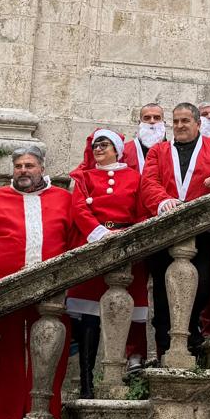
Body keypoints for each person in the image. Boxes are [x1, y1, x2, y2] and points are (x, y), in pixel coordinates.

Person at [0, 144, 100, 419]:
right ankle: (6, 417)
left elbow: (75, 240)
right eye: (18, 166)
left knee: (52, 350)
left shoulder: (63, 199)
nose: (23, 171)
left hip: (52, 288)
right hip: (2, 289)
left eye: (29, 165)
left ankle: (44, 412)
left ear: (42, 168)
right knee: (5, 351)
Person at [139, 105, 210, 357]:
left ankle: (191, 333)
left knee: (201, 285)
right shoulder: (159, 150)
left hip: (202, 230)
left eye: (185, 121)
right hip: (164, 229)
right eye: (176, 121)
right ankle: (164, 349)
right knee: (162, 291)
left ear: (198, 124)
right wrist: (162, 201)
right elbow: (148, 182)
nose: (180, 126)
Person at [67, 130, 150, 384]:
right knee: (89, 312)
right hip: (93, 243)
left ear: (116, 149)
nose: (99, 149)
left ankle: (131, 363)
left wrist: (134, 237)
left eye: (104, 144)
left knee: (130, 307)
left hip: (126, 244)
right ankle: (87, 380)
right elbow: (79, 208)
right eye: (95, 145)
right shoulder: (84, 177)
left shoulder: (134, 177)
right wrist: (99, 233)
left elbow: (142, 210)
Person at [129, 102, 167, 174]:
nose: (152, 121)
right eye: (147, 118)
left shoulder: (172, 150)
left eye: (157, 118)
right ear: (139, 122)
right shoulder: (126, 150)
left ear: (163, 122)